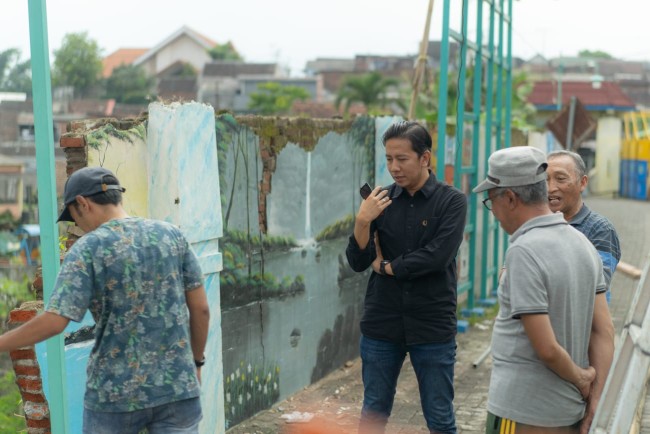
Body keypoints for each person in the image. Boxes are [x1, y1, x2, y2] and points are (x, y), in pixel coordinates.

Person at [0, 167, 210, 434]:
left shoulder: (88, 248)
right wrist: (197, 363)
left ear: (82, 204)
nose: (77, 225)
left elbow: (54, 322)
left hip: (114, 394)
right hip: (177, 387)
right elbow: (201, 309)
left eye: (74, 218)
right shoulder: (172, 236)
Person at [474, 147, 614, 434]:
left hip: (524, 411)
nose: (495, 214)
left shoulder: (524, 250)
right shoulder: (582, 243)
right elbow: (604, 329)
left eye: (492, 202)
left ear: (510, 198)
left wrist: (582, 379)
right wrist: (596, 397)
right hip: (567, 413)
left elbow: (547, 348)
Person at [346, 121, 467, 434]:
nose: (393, 167)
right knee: (373, 411)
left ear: (424, 158)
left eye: (402, 159)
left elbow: (437, 256)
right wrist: (362, 221)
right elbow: (359, 261)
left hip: (432, 322)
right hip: (382, 321)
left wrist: (388, 266)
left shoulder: (452, 201)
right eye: (388, 159)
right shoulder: (379, 201)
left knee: (440, 417)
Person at [547, 149, 621, 304]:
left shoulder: (600, 229)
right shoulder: (536, 224)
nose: (550, 188)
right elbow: (507, 277)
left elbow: (596, 285)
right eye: (545, 180)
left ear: (582, 183)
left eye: (560, 179)